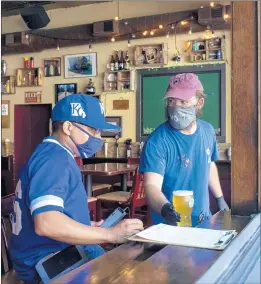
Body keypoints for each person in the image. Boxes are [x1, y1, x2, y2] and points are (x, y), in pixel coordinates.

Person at [10, 94, 143, 283]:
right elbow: (47, 223)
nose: (97, 138)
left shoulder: (52, 153)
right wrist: (109, 234)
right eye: (93, 130)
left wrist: (85, 226)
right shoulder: (55, 159)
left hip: (54, 254)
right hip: (47, 264)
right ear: (68, 127)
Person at [139, 73, 229, 227]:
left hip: (203, 220)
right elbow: (151, 186)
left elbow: (209, 165)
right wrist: (166, 209)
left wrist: (220, 198)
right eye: (171, 101)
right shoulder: (157, 141)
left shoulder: (207, 131)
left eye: (184, 101)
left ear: (199, 103)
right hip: (170, 225)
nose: (176, 107)